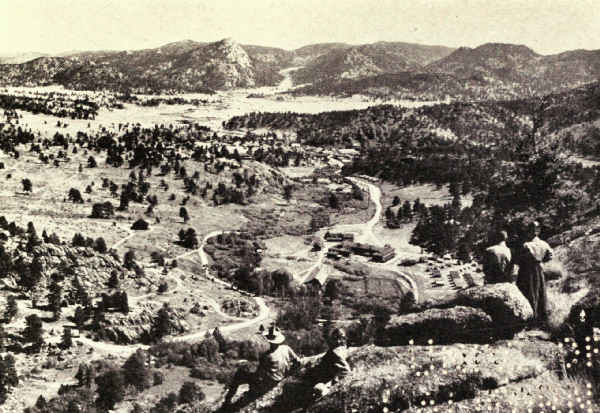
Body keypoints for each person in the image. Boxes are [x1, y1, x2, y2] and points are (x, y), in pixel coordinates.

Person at [222, 325, 302, 407]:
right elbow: (298, 361)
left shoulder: (267, 355)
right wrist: (289, 372)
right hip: (281, 376)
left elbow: (259, 373)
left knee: (239, 374)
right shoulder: (286, 348)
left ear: (269, 341)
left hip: (268, 383)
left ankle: (227, 402)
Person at [516, 221, 553, 323]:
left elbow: (518, 259)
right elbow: (550, 256)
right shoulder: (544, 244)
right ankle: (540, 319)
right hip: (539, 269)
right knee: (540, 292)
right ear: (538, 231)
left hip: (526, 271)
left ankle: (530, 319)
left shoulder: (526, 245)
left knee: (528, 292)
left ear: (529, 231)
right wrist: (541, 260)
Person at [309, 327, 351, 398]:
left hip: (325, 384)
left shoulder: (336, 353)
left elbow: (346, 371)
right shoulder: (333, 352)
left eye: (341, 338)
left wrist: (331, 383)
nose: (338, 341)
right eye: (336, 338)